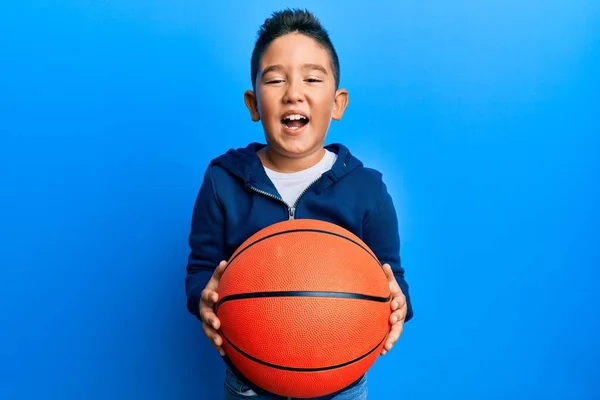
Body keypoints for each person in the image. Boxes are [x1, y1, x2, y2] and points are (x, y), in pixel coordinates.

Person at [185, 8, 413, 400]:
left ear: (338, 103)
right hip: (249, 383)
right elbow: (201, 270)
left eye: (311, 78)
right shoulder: (223, 180)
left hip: (339, 383)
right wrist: (202, 298)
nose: (294, 92)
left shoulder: (367, 190)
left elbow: (393, 279)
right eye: (275, 79)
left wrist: (397, 304)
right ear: (254, 103)